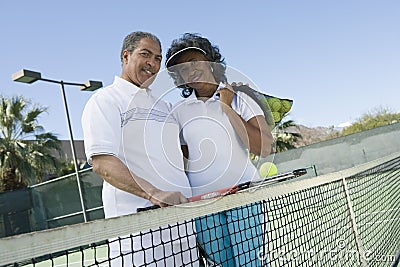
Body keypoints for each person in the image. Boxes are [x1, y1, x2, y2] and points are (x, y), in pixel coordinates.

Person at [81, 31, 199, 266]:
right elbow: (102, 163)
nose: (152, 64)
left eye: (157, 58)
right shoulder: (105, 100)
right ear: (126, 56)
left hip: (184, 230)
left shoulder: (165, 106)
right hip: (138, 240)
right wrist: (154, 193)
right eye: (145, 54)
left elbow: (182, 156)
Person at [165, 33, 273, 266]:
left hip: (244, 198)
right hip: (202, 206)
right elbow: (181, 158)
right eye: (183, 68)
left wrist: (226, 107)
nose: (190, 69)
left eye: (195, 61)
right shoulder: (177, 111)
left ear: (211, 62)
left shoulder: (241, 99)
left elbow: (263, 148)